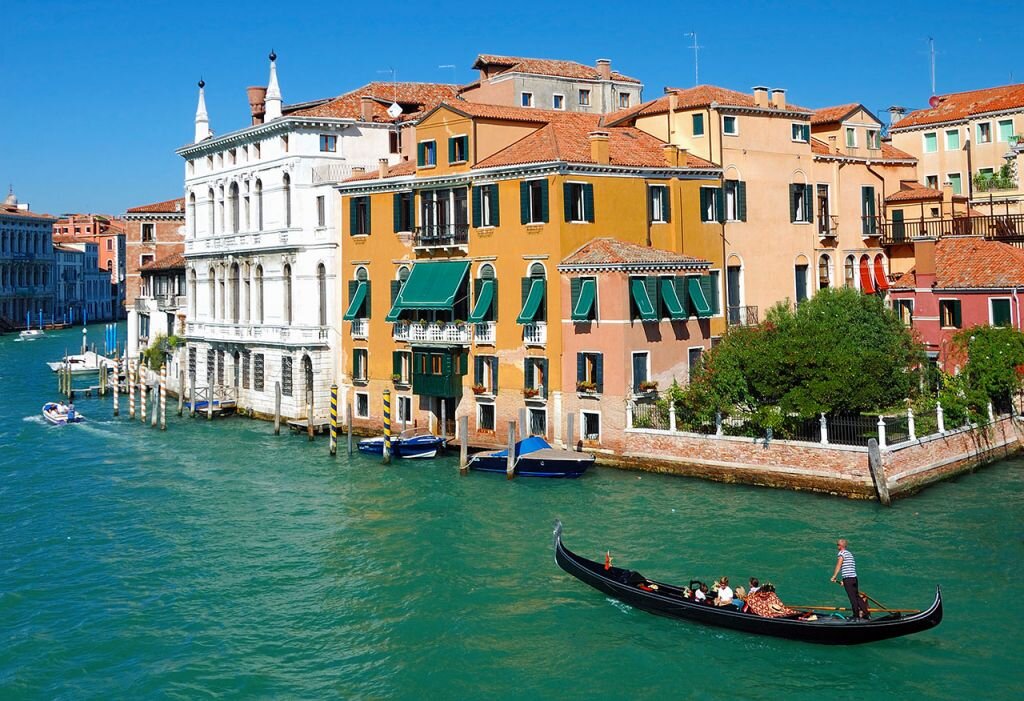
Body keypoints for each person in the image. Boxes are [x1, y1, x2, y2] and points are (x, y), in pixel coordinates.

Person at [831, 538, 870, 620]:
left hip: (848, 579)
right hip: (854, 578)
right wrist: (843, 580)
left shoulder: (841, 553)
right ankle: (867, 614)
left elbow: (839, 565)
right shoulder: (849, 554)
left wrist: (834, 576)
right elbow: (849, 568)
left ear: (841, 546)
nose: (837, 546)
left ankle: (856, 616)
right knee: (857, 597)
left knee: (852, 598)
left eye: (837, 545)